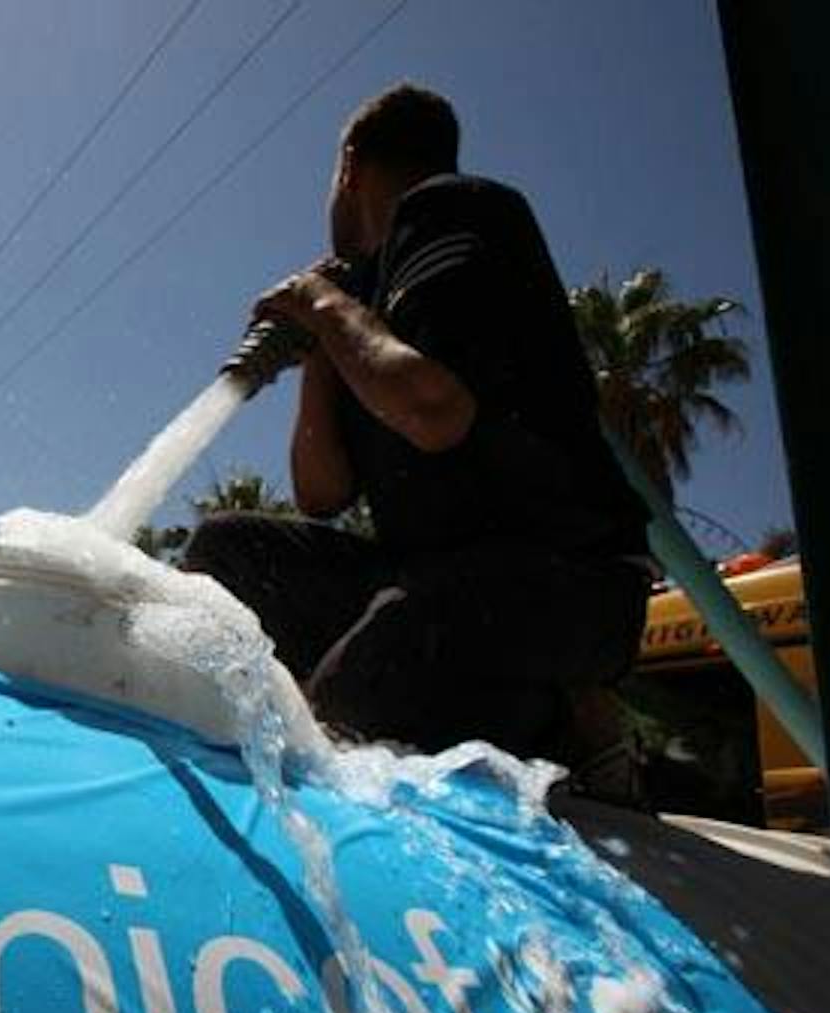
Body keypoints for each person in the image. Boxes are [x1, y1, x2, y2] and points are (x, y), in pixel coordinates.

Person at [183, 83, 653, 759]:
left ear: (348, 166)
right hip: (426, 576)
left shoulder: (453, 207)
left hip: (566, 582)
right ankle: (461, 696)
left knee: (362, 690)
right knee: (229, 550)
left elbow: (435, 412)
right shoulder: (359, 312)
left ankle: (567, 726)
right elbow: (321, 494)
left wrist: (318, 300)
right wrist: (321, 347)